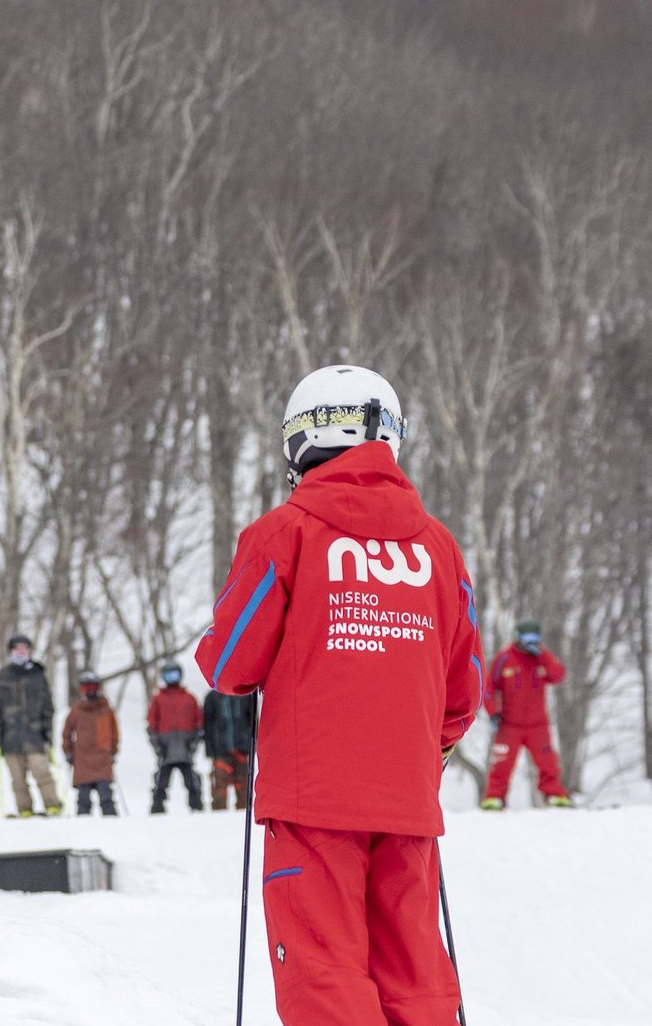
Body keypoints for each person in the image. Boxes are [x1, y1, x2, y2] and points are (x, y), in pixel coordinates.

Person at [195, 364, 483, 1025]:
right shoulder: (440, 549)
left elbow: (231, 662)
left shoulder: (285, 533)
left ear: (300, 443)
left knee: (324, 971)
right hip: (408, 805)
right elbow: (463, 691)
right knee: (415, 975)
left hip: (314, 800)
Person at [480, 619, 573, 809]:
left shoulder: (542, 658)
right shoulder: (504, 658)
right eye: (526, 639)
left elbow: (558, 675)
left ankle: (554, 795)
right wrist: (493, 712)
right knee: (502, 764)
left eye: (534, 639)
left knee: (548, 763)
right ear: (518, 638)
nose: (530, 643)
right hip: (509, 725)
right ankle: (494, 798)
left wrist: (544, 656)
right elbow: (488, 688)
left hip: (538, 725)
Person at [0, 634, 62, 817]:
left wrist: (48, 731)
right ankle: (24, 809)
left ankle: (52, 805)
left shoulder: (37, 676)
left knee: (42, 772)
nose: (21, 652)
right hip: (10, 738)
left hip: (35, 736)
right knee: (18, 779)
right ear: (11, 651)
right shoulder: (0, 677)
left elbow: (48, 707)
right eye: (17, 648)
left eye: (24, 648)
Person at [146, 662, 203, 813]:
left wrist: (194, 742)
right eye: (168, 675)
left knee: (192, 781)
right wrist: (157, 745)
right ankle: (157, 808)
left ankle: (196, 807)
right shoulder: (158, 699)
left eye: (175, 675)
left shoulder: (189, 698)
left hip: (185, 748)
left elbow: (198, 722)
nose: (172, 678)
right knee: (161, 781)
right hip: (166, 749)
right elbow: (151, 723)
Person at [61, 669, 120, 816]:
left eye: (93, 687)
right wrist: (68, 751)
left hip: (102, 759)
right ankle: (83, 827)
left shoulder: (106, 710)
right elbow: (67, 732)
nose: (91, 691)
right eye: (87, 688)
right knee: (83, 800)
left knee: (106, 797)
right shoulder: (76, 710)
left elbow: (114, 733)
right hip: (82, 759)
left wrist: (113, 751)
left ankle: (114, 827)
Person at [202, 688, 256, 811]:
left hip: (242, 750)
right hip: (220, 751)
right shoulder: (212, 697)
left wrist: (251, 746)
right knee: (219, 789)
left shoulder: (246, 695)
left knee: (244, 789)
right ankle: (218, 820)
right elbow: (207, 725)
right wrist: (210, 749)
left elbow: (252, 721)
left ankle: (242, 816)